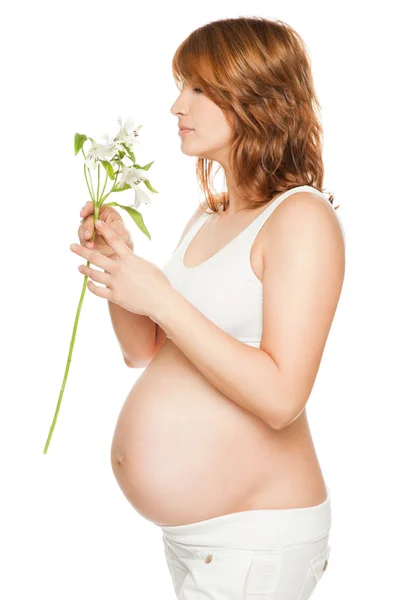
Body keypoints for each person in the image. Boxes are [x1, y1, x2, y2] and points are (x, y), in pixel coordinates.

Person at [78, 16, 345, 600]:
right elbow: (142, 352)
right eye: (182, 85)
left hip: (258, 539)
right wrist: (120, 263)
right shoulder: (209, 216)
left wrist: (162, 300)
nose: (177, 105)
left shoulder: (302, 218)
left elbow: (282, 399)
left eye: (198, 88)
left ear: (256, 95)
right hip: (198, 537)